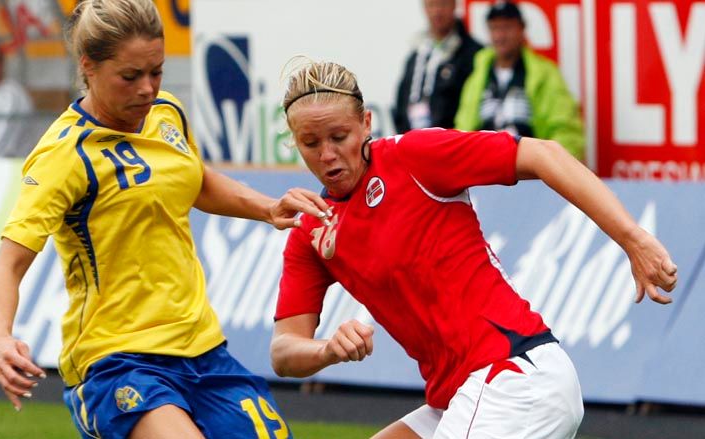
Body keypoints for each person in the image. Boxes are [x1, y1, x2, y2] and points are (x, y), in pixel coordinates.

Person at [271, 59, 678, 439]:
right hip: (462, 396)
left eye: (339, 137)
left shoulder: (413, 156)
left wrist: (632, 238)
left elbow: (544, 154)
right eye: (310, 143)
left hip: (514, 376)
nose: (327, 155)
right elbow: (284, 351)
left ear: (366, 123)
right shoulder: (311, 228)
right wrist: (327, 349)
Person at [0, 1, 329, 438]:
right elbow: (7, 266)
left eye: (156, 72)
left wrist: (267, 207)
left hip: (203, 351)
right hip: (116, 361)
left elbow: (195, 180)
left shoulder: (167, 113)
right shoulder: (64, 155)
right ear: (88, 66)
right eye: (130, 76)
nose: (147, 88)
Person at [454, 1, 585, 161]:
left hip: (528, 167)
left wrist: (554, 167)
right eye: (495, 28)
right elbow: (463, 130)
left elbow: (565, 130)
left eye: (507, 27)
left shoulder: (544, 74)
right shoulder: (478, 75)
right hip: (484, 166)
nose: (500, 36)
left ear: (522, 29)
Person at [393, 0, 481, 133]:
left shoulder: (473, 54)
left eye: (442, 4)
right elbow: (401, 101)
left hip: (452, 140)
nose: (437, 11)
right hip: (412, 139)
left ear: (454, 5)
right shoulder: (417, 52)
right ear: (424, 8)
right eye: (432, 5)